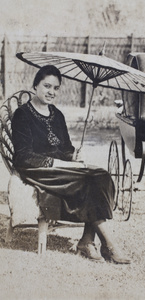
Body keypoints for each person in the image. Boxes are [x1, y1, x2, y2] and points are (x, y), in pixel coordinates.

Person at [11, 65, 130, 264]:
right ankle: (109, 245)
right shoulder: (22, 115)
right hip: (36, 169)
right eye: (47, 86)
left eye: (56, 88)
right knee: (88, 179)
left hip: (62, 169)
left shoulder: (57, 115)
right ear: (35, 86)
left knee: (101, 175)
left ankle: (86, 240)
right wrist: (57, 163)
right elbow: (23, 156)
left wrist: (73, 155)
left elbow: (66, 148)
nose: (51, 92)